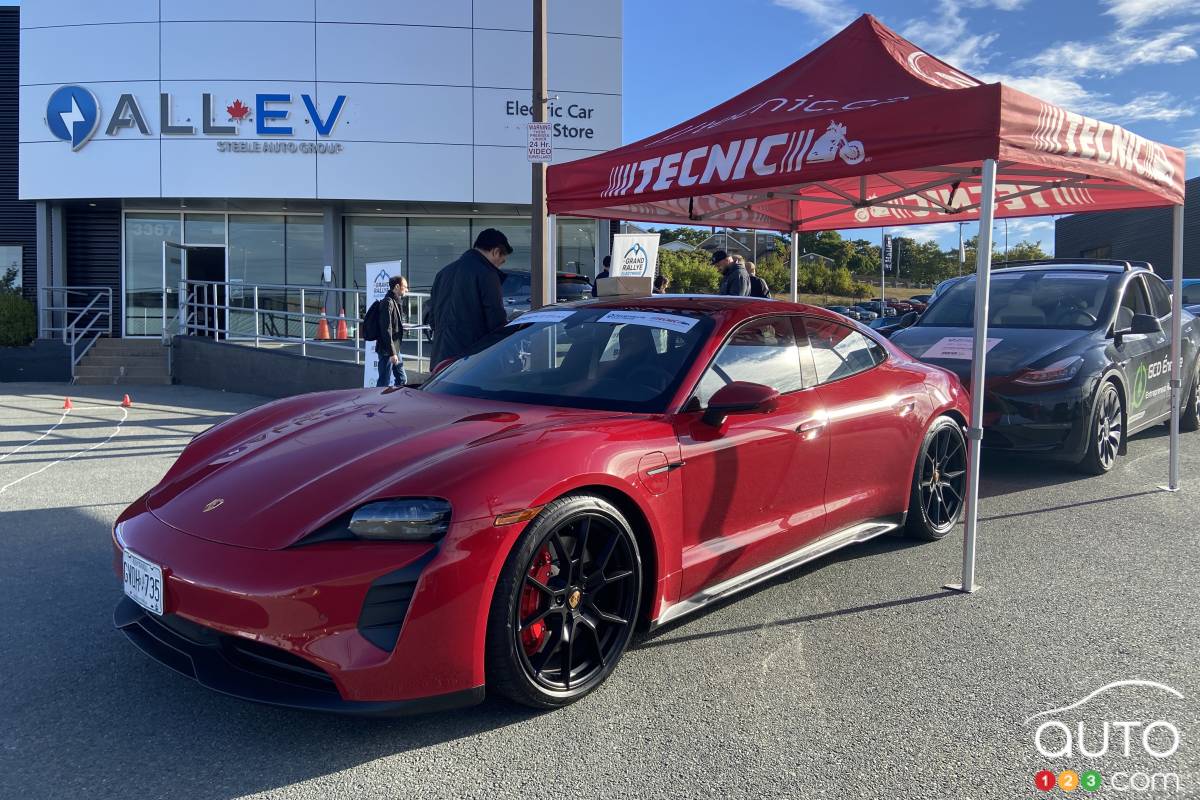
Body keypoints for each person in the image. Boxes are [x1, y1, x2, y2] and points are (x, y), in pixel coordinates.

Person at [427, 228, 512, 365]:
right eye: (501, 261)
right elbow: (496, 321)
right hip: (471, 362)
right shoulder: (487, 274)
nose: (499, 267)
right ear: (495, 251)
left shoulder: (443, 273)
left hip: (440, 360)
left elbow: (432, 320)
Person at [376, 275, 408, 387]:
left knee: (402, 379)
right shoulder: (388, 302)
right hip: (387, 349)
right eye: (405, 286)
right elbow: (386, 329)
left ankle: (395, 402)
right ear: (397, 286)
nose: (407, 290)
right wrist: (392, 353)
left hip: (395, 347)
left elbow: (393, 325)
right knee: (383, 382)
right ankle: (377, 403)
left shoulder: (396, 302)